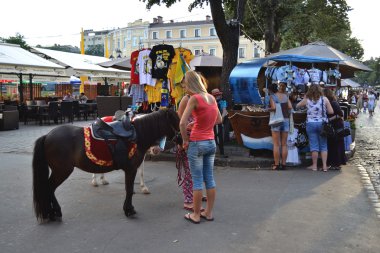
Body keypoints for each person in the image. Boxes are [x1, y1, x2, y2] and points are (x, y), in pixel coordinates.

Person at [180, 70, 222, 224]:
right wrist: (198, 123)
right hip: (211, 142)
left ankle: (196, 215)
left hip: (197, 142)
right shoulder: (211, 98)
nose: (185, 89)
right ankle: (208, 213)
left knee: (197, 180)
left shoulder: (194, 98)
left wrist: (185, 140)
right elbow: (219, 119)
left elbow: (182, 122)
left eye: (185, 85)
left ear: (190, 84)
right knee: (209, 179)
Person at [296, 84, 334, 172]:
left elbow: (297, 106)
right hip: (322, 124)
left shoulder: (307, 100)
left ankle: (314, 166)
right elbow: (331, 111)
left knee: (314, 146)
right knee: (323, 146)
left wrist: (306, 99)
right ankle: (324, 166)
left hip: (311, 124)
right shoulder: (324, 99)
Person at [268, 82, 293, 170]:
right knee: (284, 144)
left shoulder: (272, 96)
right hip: (285, 120)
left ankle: (276, 164)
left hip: (276, 120)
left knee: (276, 144)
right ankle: (284, 164)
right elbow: (290, 107)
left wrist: (268, 109)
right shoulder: (286, 96)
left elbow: (274, 108)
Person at [323, 89, 346, 170]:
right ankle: (334, 163)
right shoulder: (330, 102)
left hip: (336, 125)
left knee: (335, 145)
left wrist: (330, 119)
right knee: (333, 145)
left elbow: (340, 114)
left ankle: (336, 164)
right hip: (334, 125)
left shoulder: (333, 103)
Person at [211, 88, 228, 157]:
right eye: (215, 95)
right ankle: (213, 153)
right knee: (213, 137)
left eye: (218, 95)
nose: (217, 96)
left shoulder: (222, 102)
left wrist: (221, 119)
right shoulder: (210, 103)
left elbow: (224, 111)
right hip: (212, 122)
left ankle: (222, 152)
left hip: (220, 121)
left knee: (220, 136)